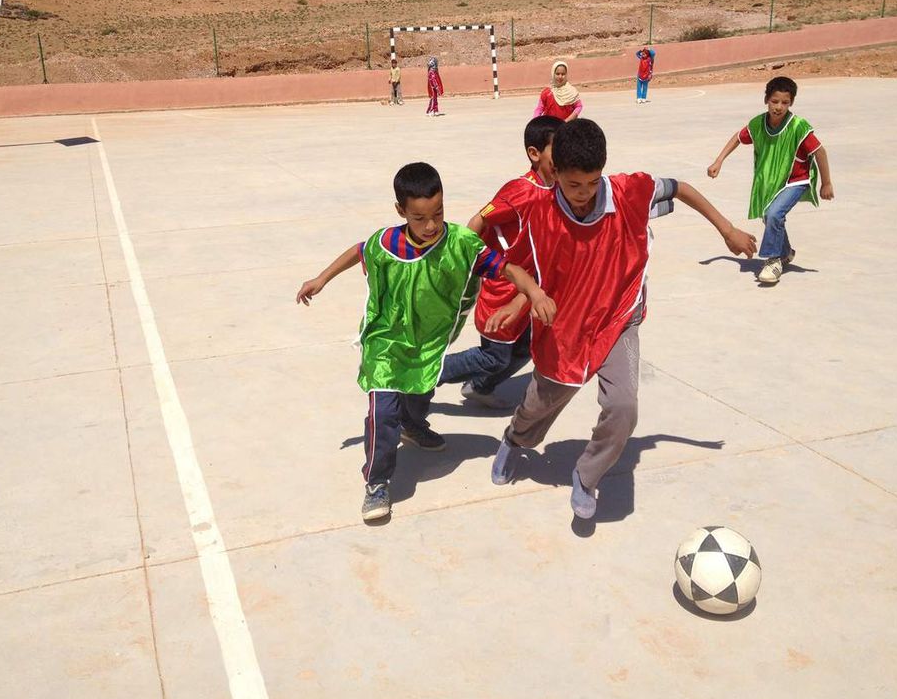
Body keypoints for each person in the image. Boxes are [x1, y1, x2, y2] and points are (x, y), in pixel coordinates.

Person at [487, 120, 757, 520]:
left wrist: (727, 228)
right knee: (541, 401)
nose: (584, 194)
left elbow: (679, 187)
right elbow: (525, 268)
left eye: (592, 183)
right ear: (555, 173)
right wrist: (524, 299)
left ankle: (587, 476)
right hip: (566, 322)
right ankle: (515, 439)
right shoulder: (540, 215)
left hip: (618, 318)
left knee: (625, 407)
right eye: (574, 185)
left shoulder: (628, 192)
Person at [296, 162, 556, 522]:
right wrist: (321, 278)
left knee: (419, 394)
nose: (432, 225)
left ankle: (413, 424)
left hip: (428, 343)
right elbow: (359, 249)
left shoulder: (461, 244)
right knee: (383, 411)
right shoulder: (387, 243)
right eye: (420, 218)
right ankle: (377, 481)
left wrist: (534, 292)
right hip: (386, 341)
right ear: (401, 211)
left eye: (439, 213)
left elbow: (508, 268)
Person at [439, 116, 565, 409]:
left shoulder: (560, 189)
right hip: (503, 288)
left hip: (529, 290)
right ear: (534, 154)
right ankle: (427, 372)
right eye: (558, 149)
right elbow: (478, 220)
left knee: (526, 348)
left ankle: (480, 386)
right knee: (495, 355)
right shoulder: (519, 191)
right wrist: (458, 264)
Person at [706, 76, 835, 284]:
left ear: (791, 103)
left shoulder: (798, 126)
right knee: (770, 216)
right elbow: (738, 137)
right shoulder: (758, 124)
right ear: (766, 99)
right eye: (775, 101)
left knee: (774, 214)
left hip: (796, 180)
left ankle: (773, 260)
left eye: (785, 102)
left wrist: (826, 182)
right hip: (771, 182)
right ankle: (786, 252)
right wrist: (718, 160)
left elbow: (820, 152)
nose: (779, 107)